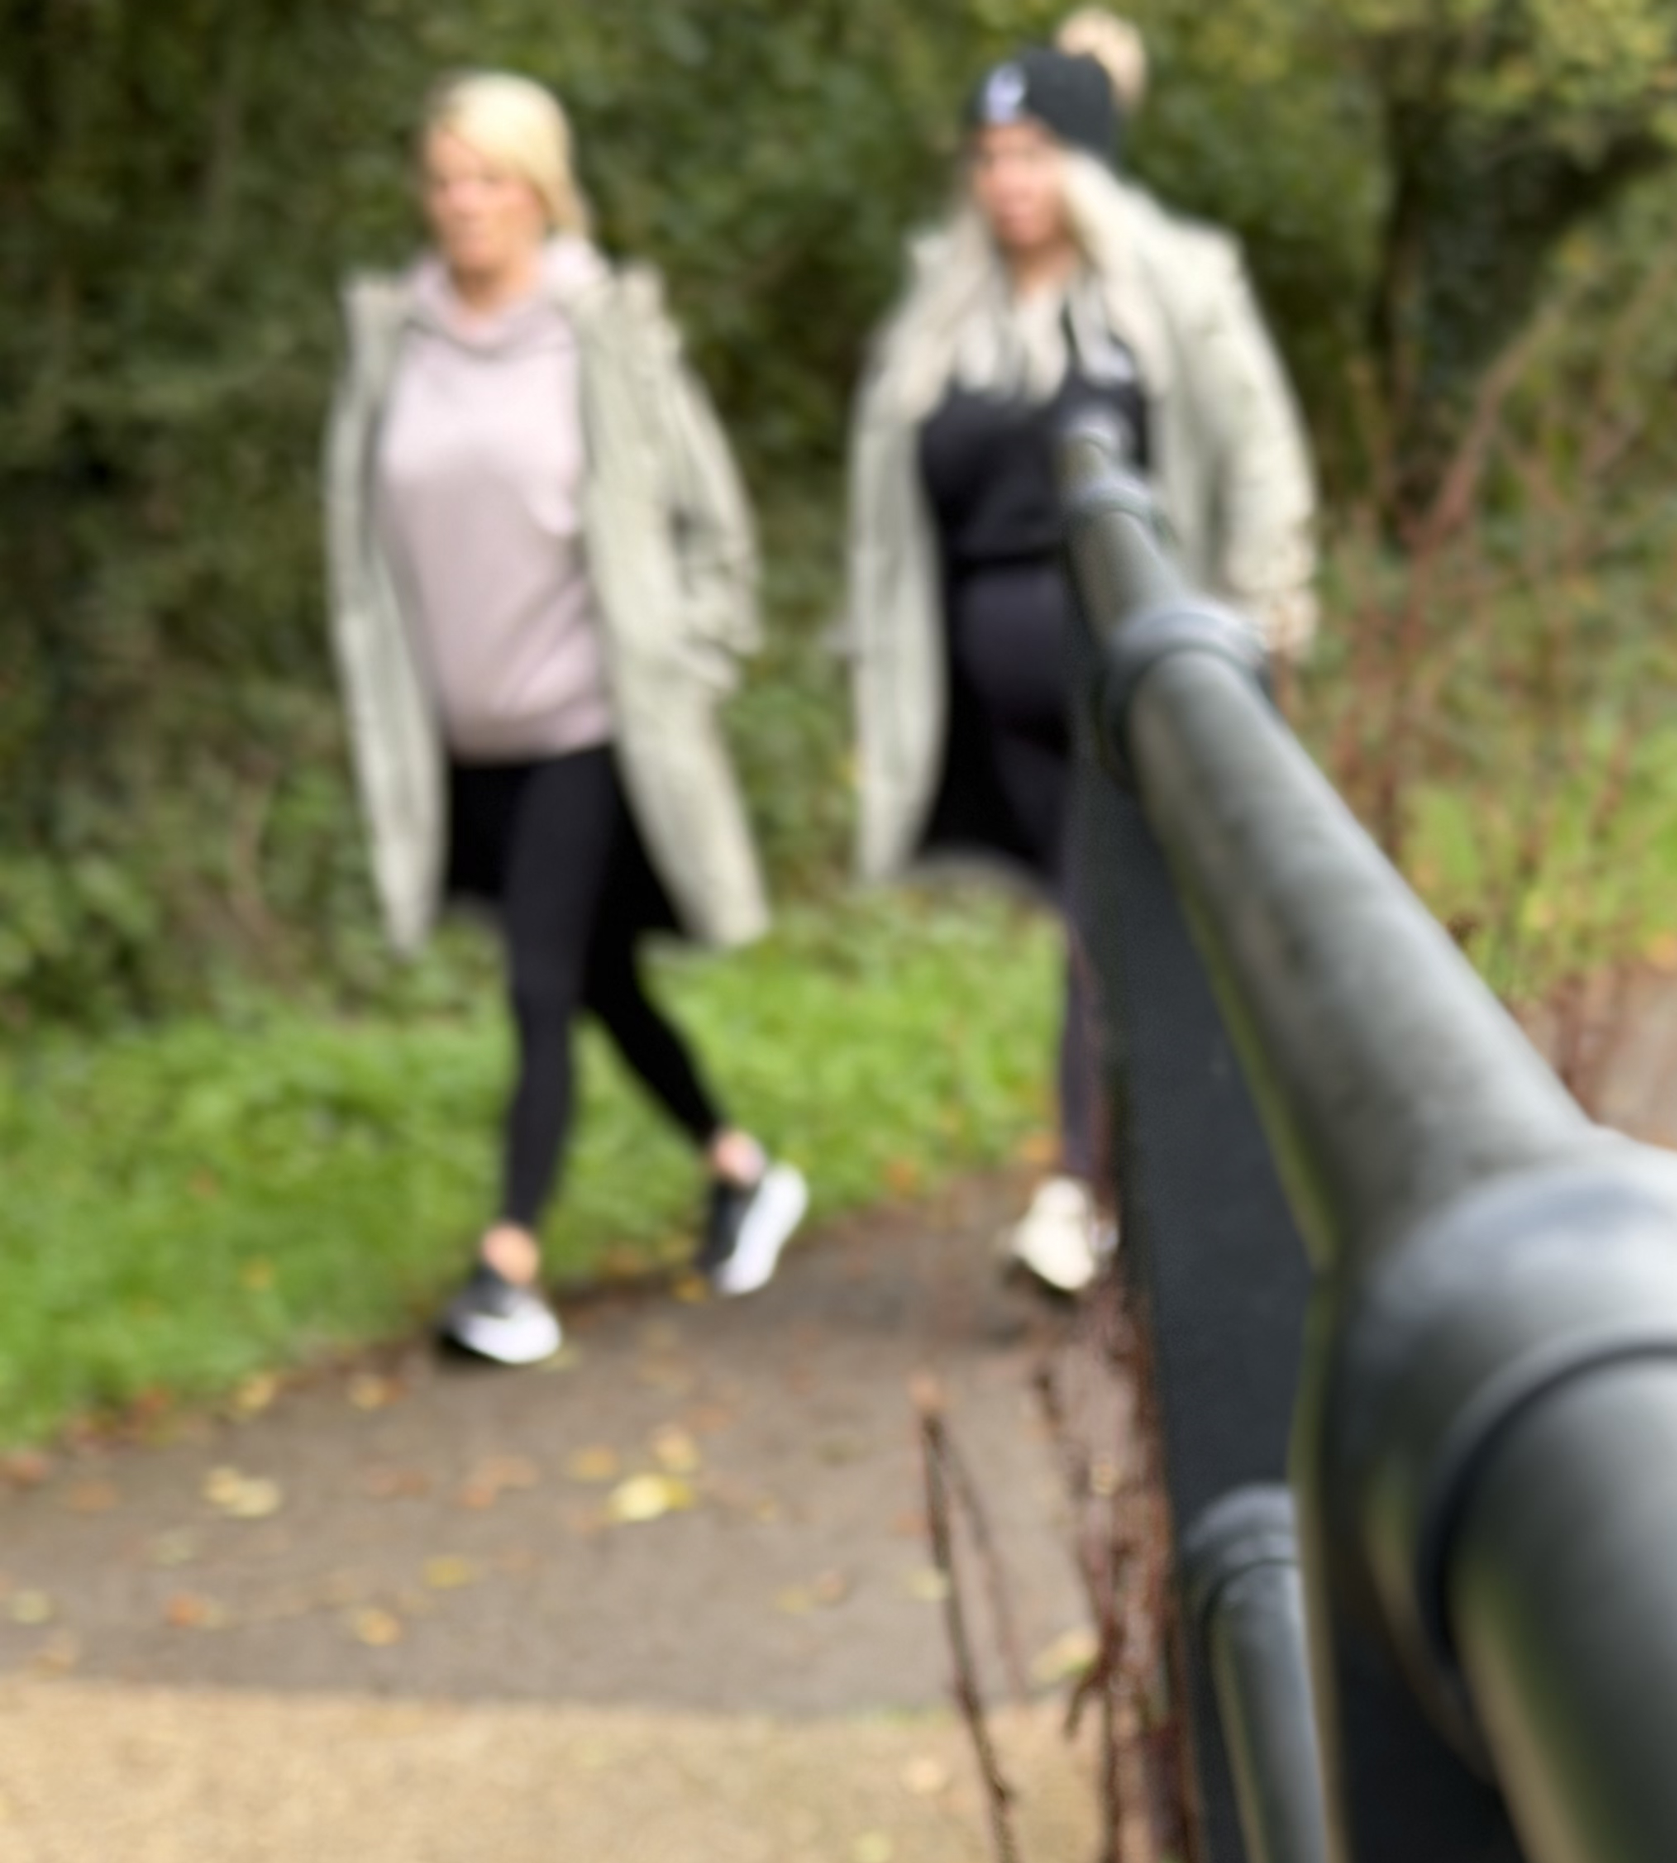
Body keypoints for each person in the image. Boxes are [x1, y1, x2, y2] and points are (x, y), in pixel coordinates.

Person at [326, 71, 806, 1367]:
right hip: (460, 741)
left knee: (538, 985)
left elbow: (719, 534)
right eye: (444, 181)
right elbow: (364, 560)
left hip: (588, 724)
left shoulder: (604, 334)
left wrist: (680, 670)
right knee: (597, 977)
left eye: (490, 179)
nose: (463, 205)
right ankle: (741, 1167)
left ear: (542, 191)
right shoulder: (395, 343)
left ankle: (506, 1267)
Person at [847, 12, 1316, 1296]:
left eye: (1035, 154)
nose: (1009, 183)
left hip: (1127, 675)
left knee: (1103, 923)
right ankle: (1155, 1179)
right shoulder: (947, 314)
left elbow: (1259, 454)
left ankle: (1078, 1190)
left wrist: (1259, 625)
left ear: (1083, 167)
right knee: (1103, 926)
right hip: (995, 687)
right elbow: (893, 519)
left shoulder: (1166, 291)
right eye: (990, 156)